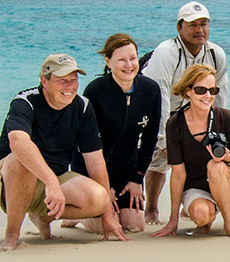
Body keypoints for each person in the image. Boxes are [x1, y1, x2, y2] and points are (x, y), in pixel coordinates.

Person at [0, 54, 129, 251]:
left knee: (99, 197)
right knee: (21, 160)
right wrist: (51, 182)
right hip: (5, 178)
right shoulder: (26, 101)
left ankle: (43, 216)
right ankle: (12, 235)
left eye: (73, 80)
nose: (70, 86)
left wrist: (107, 214)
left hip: (53, 180)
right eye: (62, 81)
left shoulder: (82, 107)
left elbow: (95, 161)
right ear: (44, 80)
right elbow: (18, 142)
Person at [62, 33, 162, 234]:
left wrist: (137, 178)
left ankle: (86, 212)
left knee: (134, 226)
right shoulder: (95, 91)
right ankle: (75, 216)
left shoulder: (150, 90)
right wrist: (102, 186)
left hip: (127, 170)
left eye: (132, 58)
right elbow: (85, 143)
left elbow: (150, 138)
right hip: (93, 169)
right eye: (121, 60)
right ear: (108, 62)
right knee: (105, 227)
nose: (129, 65)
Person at [140, 1, 230, 225]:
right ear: (179, 28)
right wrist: (162, 140)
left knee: (201, 156)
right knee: (158, 160)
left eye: (204, 24)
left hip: (194, 109)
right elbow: (157, 96)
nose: (199, 30)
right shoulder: (166, 53)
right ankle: (151, 209)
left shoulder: (216, 54)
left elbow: (220, 94)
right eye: (192, 25)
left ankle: (190, 204)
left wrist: (220, 132)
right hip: (158, 108)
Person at [149, 64, 230, 239]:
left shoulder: (226, 117)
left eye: (212, 90)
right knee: (201, 216)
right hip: (197, 188)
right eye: (201, 90)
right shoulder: (175, 123)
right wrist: (173, 221)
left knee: (215, 165)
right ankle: (206, 216)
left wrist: (228, 158)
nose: (208, 96)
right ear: (188, 91)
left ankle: (229, 225)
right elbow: (178, 174)